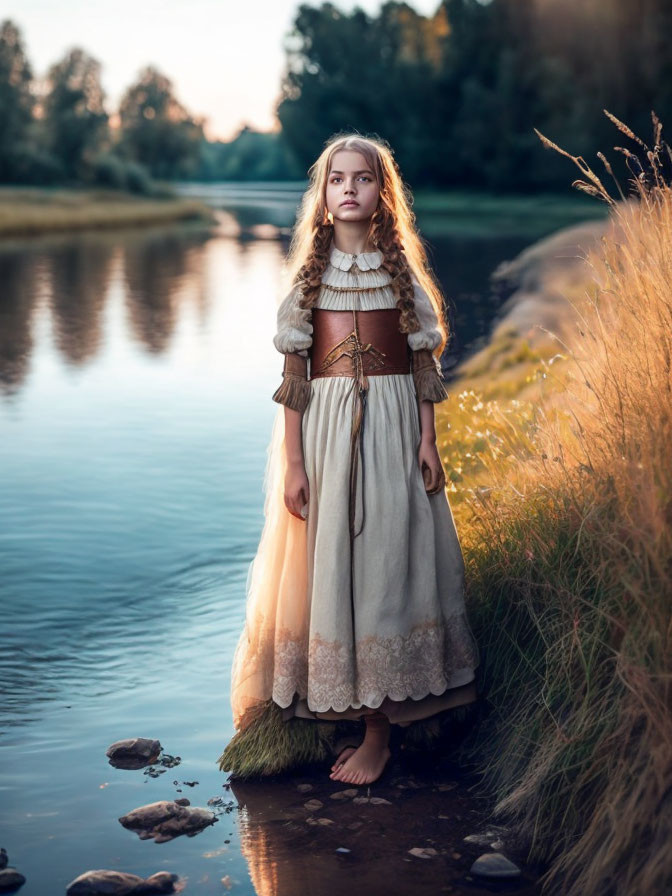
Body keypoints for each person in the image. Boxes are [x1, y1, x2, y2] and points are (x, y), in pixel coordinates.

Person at [228, 133, 480, 786]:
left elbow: (424, 367)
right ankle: (332, 711)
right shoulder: (309, 284)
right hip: (327, 440)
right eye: (336, 179)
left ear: (381, 194)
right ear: (323, 197)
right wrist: (293, 463)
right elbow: (292, 385)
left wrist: (428, 441)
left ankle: (380, 731)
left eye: (362, 179)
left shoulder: (401, 278)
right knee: (334, 564)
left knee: (386, 565)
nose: (348, 189)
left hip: (394, 433)